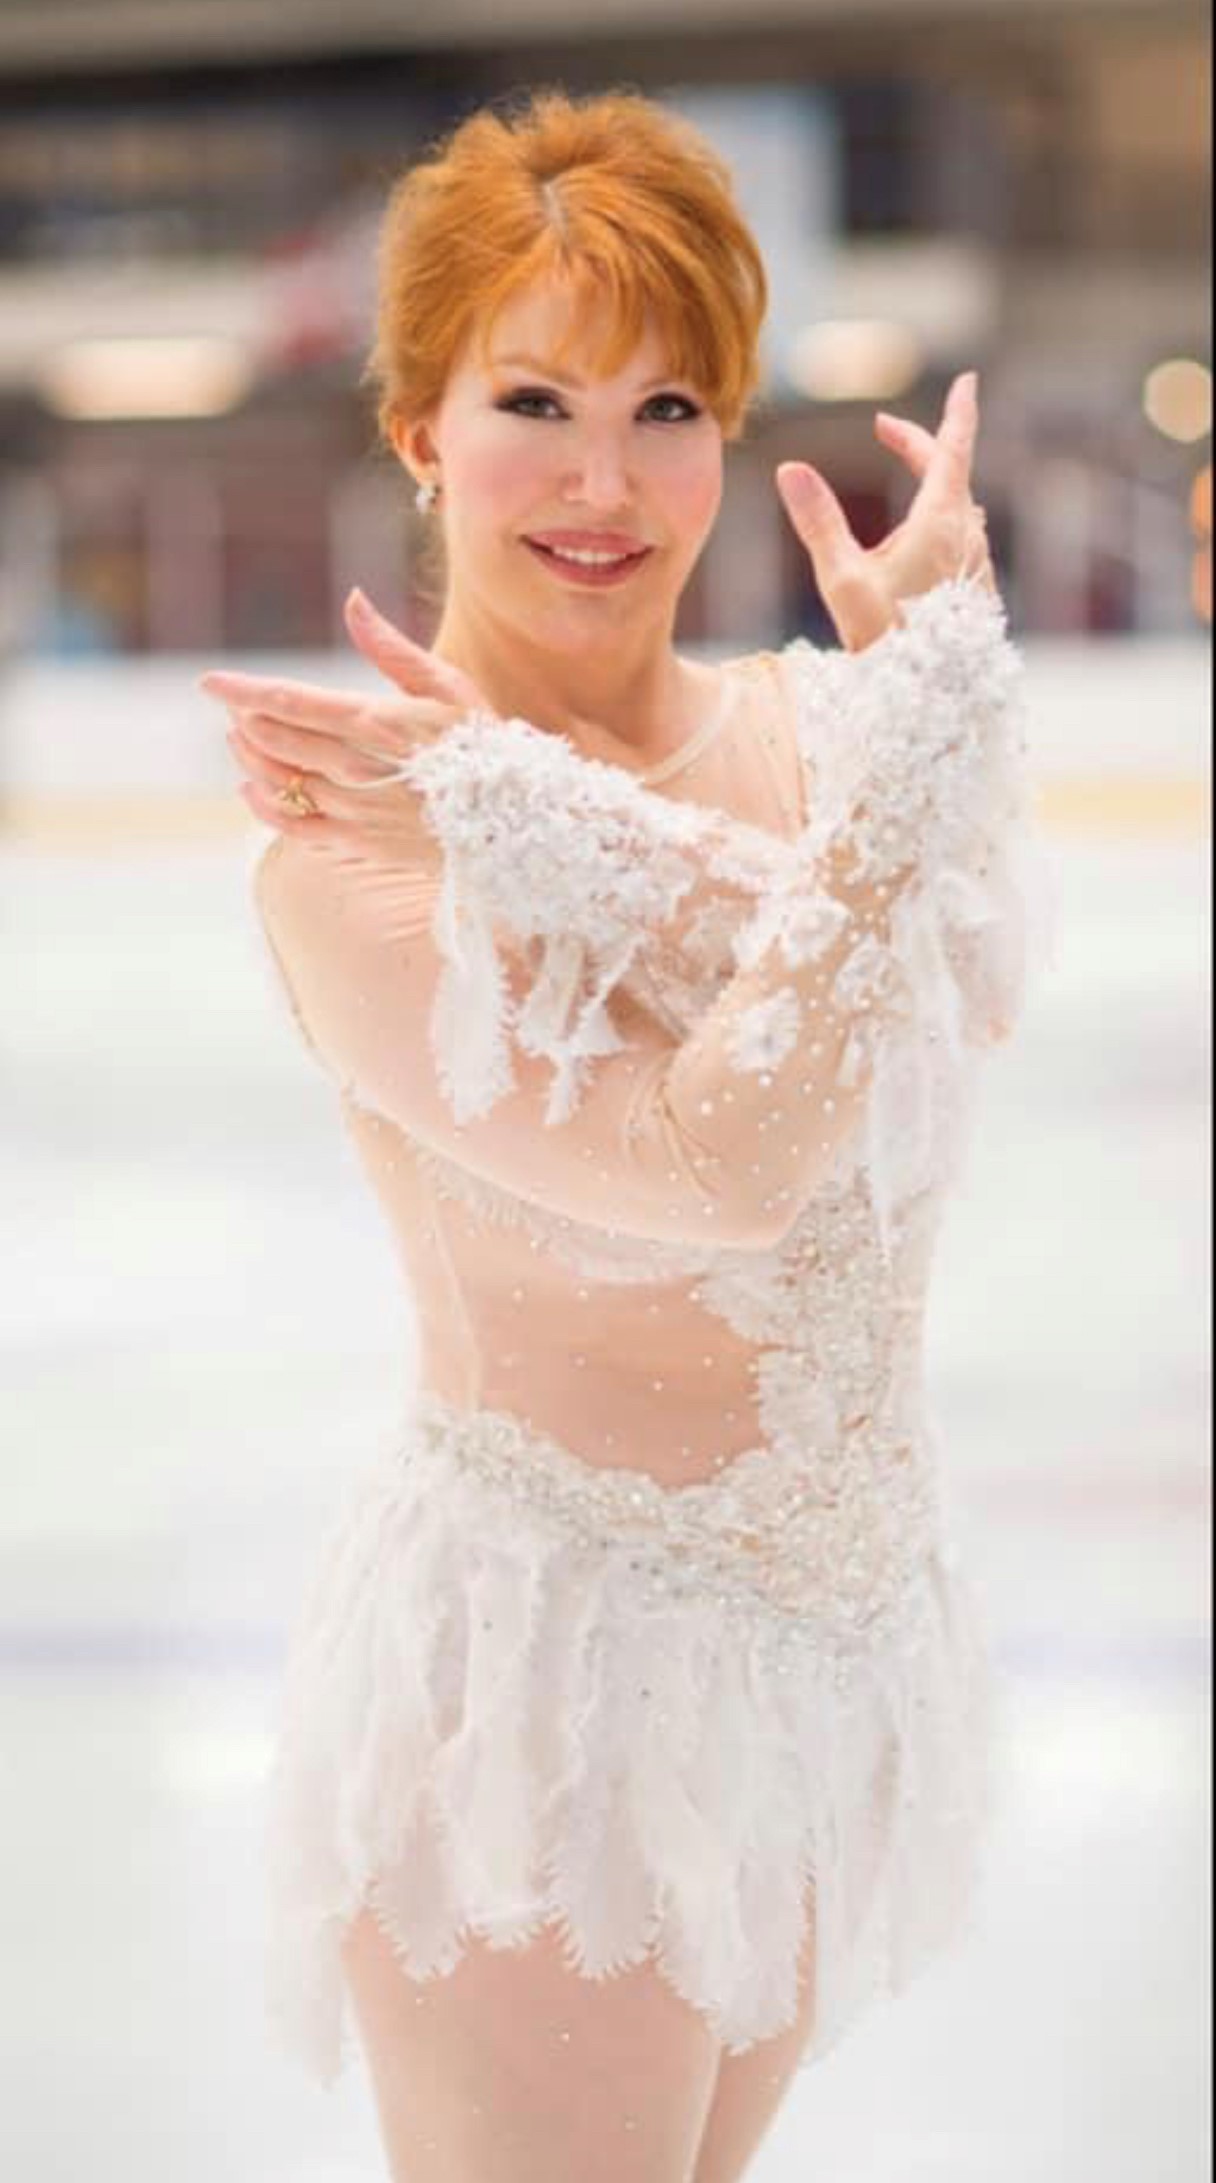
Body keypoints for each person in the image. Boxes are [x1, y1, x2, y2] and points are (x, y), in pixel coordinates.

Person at [200, 88, 1052, 2183]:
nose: (605, 480)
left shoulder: (819, 726)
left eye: (669, 404)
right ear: (417, 427)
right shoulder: (353, 846)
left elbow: (960, 996)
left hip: (834, 1657)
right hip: (557, 1696)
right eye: (533, 401)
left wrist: (892, 706)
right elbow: (720, 1169)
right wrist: (501, 806)